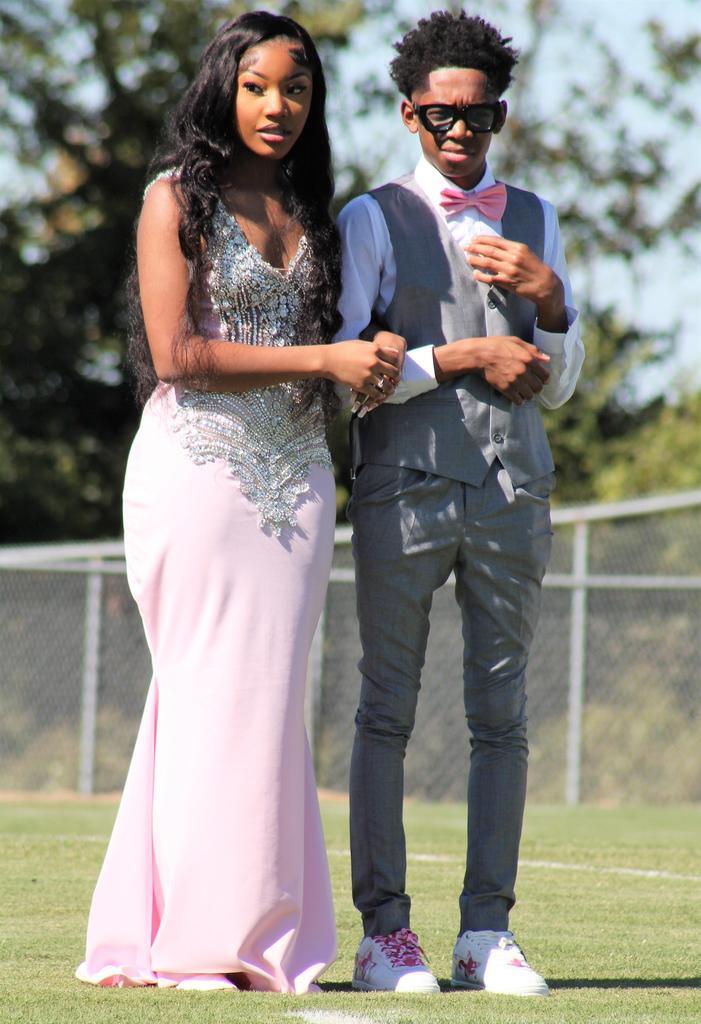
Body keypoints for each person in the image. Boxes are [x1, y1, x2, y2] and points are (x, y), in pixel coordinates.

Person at [75, 11, 403, 994]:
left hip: (297, 481)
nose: (276, 105)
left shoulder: (311, 208)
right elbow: (177, 355)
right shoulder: (173, 198)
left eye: (295, 89)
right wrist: (326, 359)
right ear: (223, 87)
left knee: (263, 704)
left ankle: (245, 933)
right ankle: (199, 946)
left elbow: (329, 356)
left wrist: (367, 369)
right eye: (257, 85)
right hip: (198, 476)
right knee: (206, 695)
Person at [337, 10, 584, 997]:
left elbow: (559, 385)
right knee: (385, 711)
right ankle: (383, 936)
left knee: (501, 718)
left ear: (498, 116)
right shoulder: (371, 217)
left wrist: (549, 298)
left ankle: (486, 932)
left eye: (475, 113)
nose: (458, 129)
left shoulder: (537, 217)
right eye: (439, 113)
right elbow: (349, 371)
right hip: (402, 489)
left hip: (513, 491)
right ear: (410, 114)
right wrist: (462, 354)